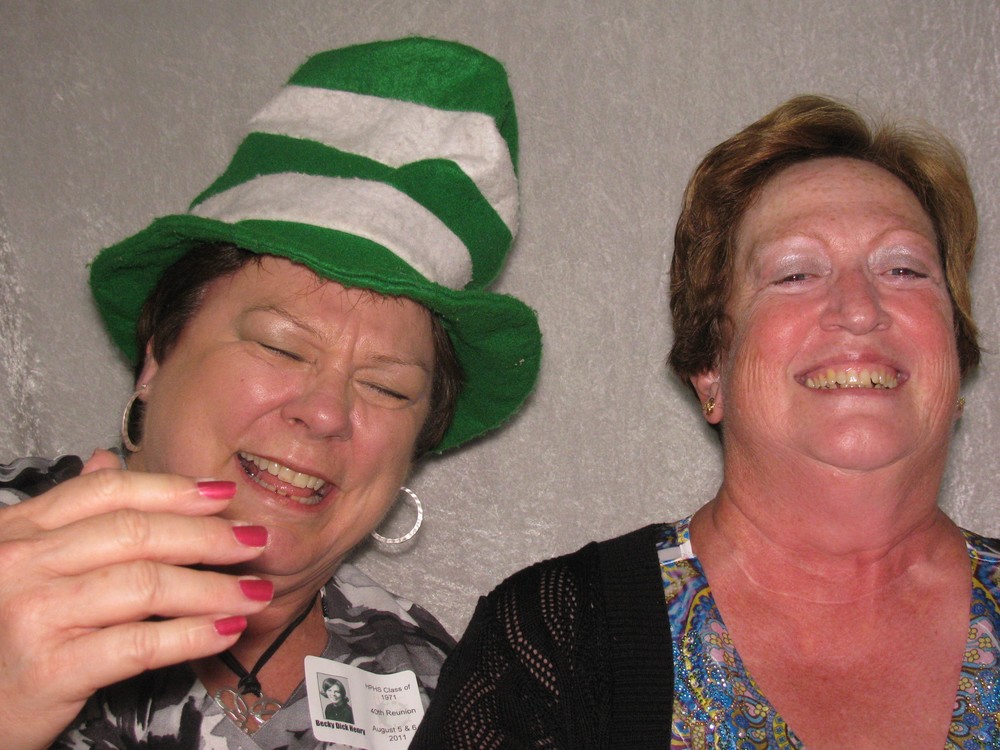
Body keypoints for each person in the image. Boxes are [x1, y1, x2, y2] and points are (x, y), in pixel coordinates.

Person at [0, 37, 541, 749]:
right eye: (282, 347)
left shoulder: (446, 699)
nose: (326, 413)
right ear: (158, 354)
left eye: (385, 387)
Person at [412, 94, 1000, 749]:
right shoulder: (550, 641)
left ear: (956, 356)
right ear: (710, 368)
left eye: (904, 269)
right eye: (795, 274)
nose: (860, 309)